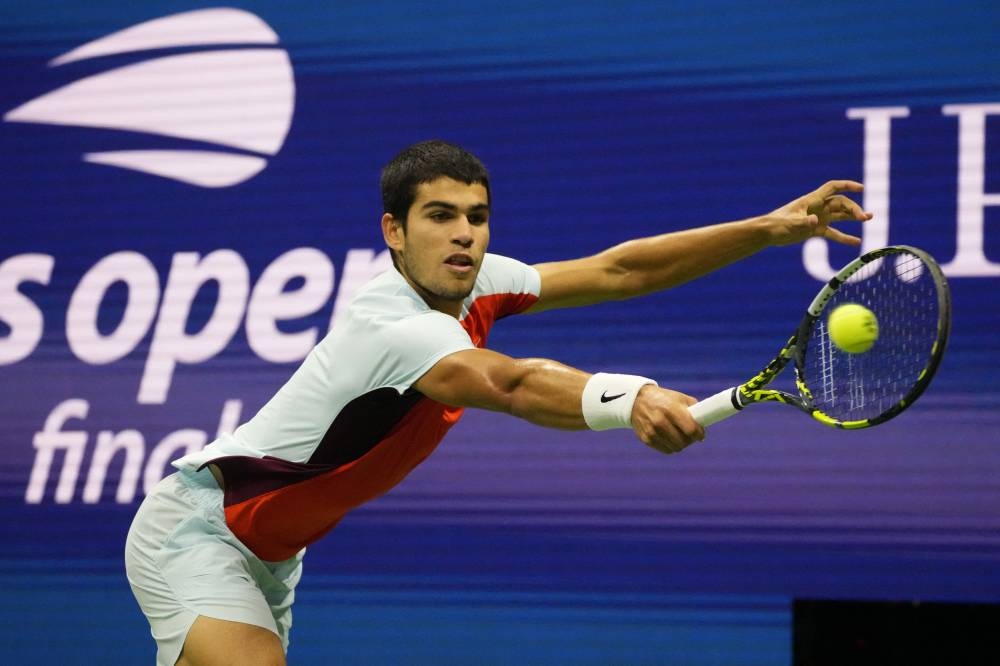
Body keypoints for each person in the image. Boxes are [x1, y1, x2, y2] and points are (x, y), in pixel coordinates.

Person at [125, 139, 871, 665]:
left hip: (272, 552)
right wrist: (630, 395)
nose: (464, 236)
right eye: (440, 216)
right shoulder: (392, 327)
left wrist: (767, 229)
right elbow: (510, 384)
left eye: (476, 217)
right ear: (394, 231)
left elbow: (619, 272)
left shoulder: (476, 283)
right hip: (203, 527)